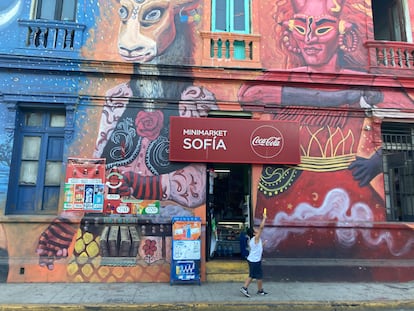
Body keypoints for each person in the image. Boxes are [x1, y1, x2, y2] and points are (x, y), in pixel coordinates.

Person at [240, 212, 267, 297]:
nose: (257, 230)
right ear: (254, 233)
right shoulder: (256, 238)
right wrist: (264, 218)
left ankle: (260, 290)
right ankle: (244, 288)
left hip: (255, 260)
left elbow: (257, 248)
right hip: (254, 261)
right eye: (255, 230)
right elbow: (261, 228)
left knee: (259, 276)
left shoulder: (253, 240)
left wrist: (263, 245)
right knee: (252, 275)